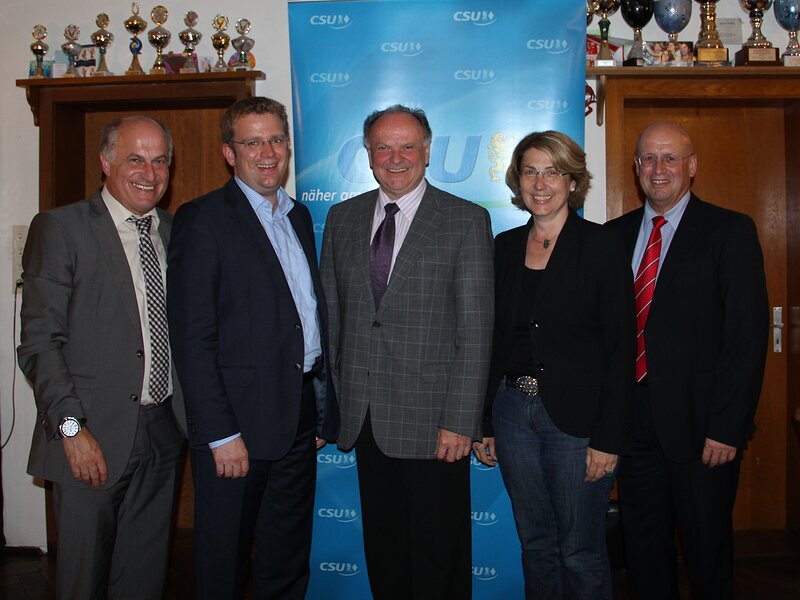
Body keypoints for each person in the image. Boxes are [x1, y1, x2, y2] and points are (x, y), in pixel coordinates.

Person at [167, 96, 339, 600]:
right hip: (236, 424)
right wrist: (221, 434)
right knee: (225, 561)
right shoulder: (202, 220)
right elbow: (193, 339)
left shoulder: (298, 216)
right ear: (229, 152)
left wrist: (319, 408)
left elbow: (305, 319)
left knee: (286, 557)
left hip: (298, 417)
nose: (268, 152)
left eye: (277, 139)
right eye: (253, 142)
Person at [320, 105, 494, 599]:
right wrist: (330, 409)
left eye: (407, 146)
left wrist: (460, 421)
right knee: (386, 551)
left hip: (435, 423)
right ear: (368, 154)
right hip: (365, 417)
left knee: (440, 556)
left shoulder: (465, 219)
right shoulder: (342, 218)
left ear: (428, 151)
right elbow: (332, 321)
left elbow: (476, 330)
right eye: (383, 147)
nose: (395, 158)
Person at [18, 115, 186, 599]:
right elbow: (39, 343)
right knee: (83, 580)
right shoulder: (61, 228)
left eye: (160, 161)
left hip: (163, 432)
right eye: (136, 159)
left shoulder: (176, 231)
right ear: (106, 162)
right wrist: (72, 431)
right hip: (89, 437)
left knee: (144, 577)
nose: (150, 173)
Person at [606, 121, 768, 600]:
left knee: (706, 550)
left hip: (703, 430)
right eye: (649, 159)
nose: (659, 169)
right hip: (632, 427)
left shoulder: (729, 231)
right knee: (643, 549)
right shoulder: (612, 237)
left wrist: (727, 427)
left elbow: (746, 339)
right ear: (636, 167)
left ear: (691, 166)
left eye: (670, 158)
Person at [472, 130, 635, 599]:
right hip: (511, 413)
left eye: (553, 172)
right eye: (530, 172)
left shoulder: (601, 246)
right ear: (518, 180)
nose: (540, 183)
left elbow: (621, 348)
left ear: (572, 181)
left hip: (577, 423)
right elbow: (493, 341)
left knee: (580, 551)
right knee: (536, 543)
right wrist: (485, 420)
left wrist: (608, 439)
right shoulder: (504, 246)